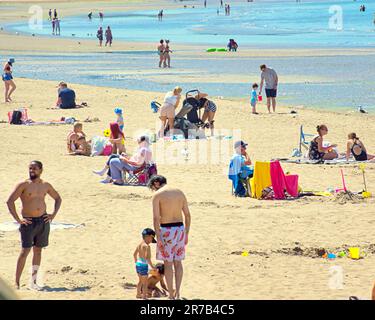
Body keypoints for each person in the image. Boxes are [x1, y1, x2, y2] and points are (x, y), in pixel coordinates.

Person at [7, 161, 62, 290]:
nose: (32, 171)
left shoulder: (45, 185)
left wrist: (53, 215)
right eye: (30, 168)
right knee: (25, 251)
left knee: (38, 251)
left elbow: (58, 198)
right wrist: (18, 220)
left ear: (41, 170)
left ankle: (34, 280)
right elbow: (10, 201)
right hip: (28, 222)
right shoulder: (23, 185)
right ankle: (17, 282)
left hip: (42, 221)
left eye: (35, 169)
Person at [148, 175, 191, 300]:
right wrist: (187, 233)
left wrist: (159, 236)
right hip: (180, 229)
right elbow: (187, 215)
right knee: (178, 263)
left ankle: (171, 296)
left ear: (156, 183)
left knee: (168, 264)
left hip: (166, 230)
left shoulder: (158, 195)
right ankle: (178, 294)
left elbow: (156, 218)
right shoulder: (179, 192)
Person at [133, 228, 157, 299]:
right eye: (151, 239)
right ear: (148, 237)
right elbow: (148, 258)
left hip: (138, 264)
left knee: (140, 281)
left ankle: (138, 294)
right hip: (144, 265)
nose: (150, 242)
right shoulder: (147, 246)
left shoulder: (139, 245)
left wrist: (136, 262)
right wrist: (153, 267)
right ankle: (144, 296)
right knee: (145, 283)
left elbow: (134, 254)